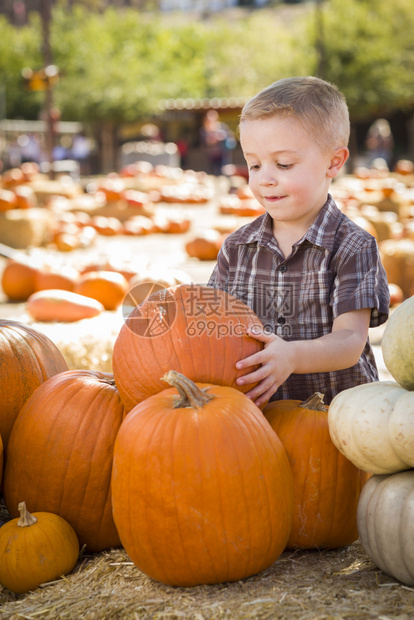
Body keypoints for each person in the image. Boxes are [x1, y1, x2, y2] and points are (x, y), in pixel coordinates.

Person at [207, 76, 390, 408]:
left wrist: (292, 355)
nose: (266, 178)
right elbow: (215, 327)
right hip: (257, 424)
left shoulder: (353, 247)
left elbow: (349, 341)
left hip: (337, 422)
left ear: (334, 162)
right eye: (255, 164)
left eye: (284, 164)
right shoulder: (235, 249)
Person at [200, 110, 235, 175]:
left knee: (224, 171)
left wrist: (219, 137)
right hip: (211, 155)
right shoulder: (204, 129)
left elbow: (229, 136)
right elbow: (204, 143)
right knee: (214, 173)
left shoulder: (222, 126)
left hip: (223, 154)